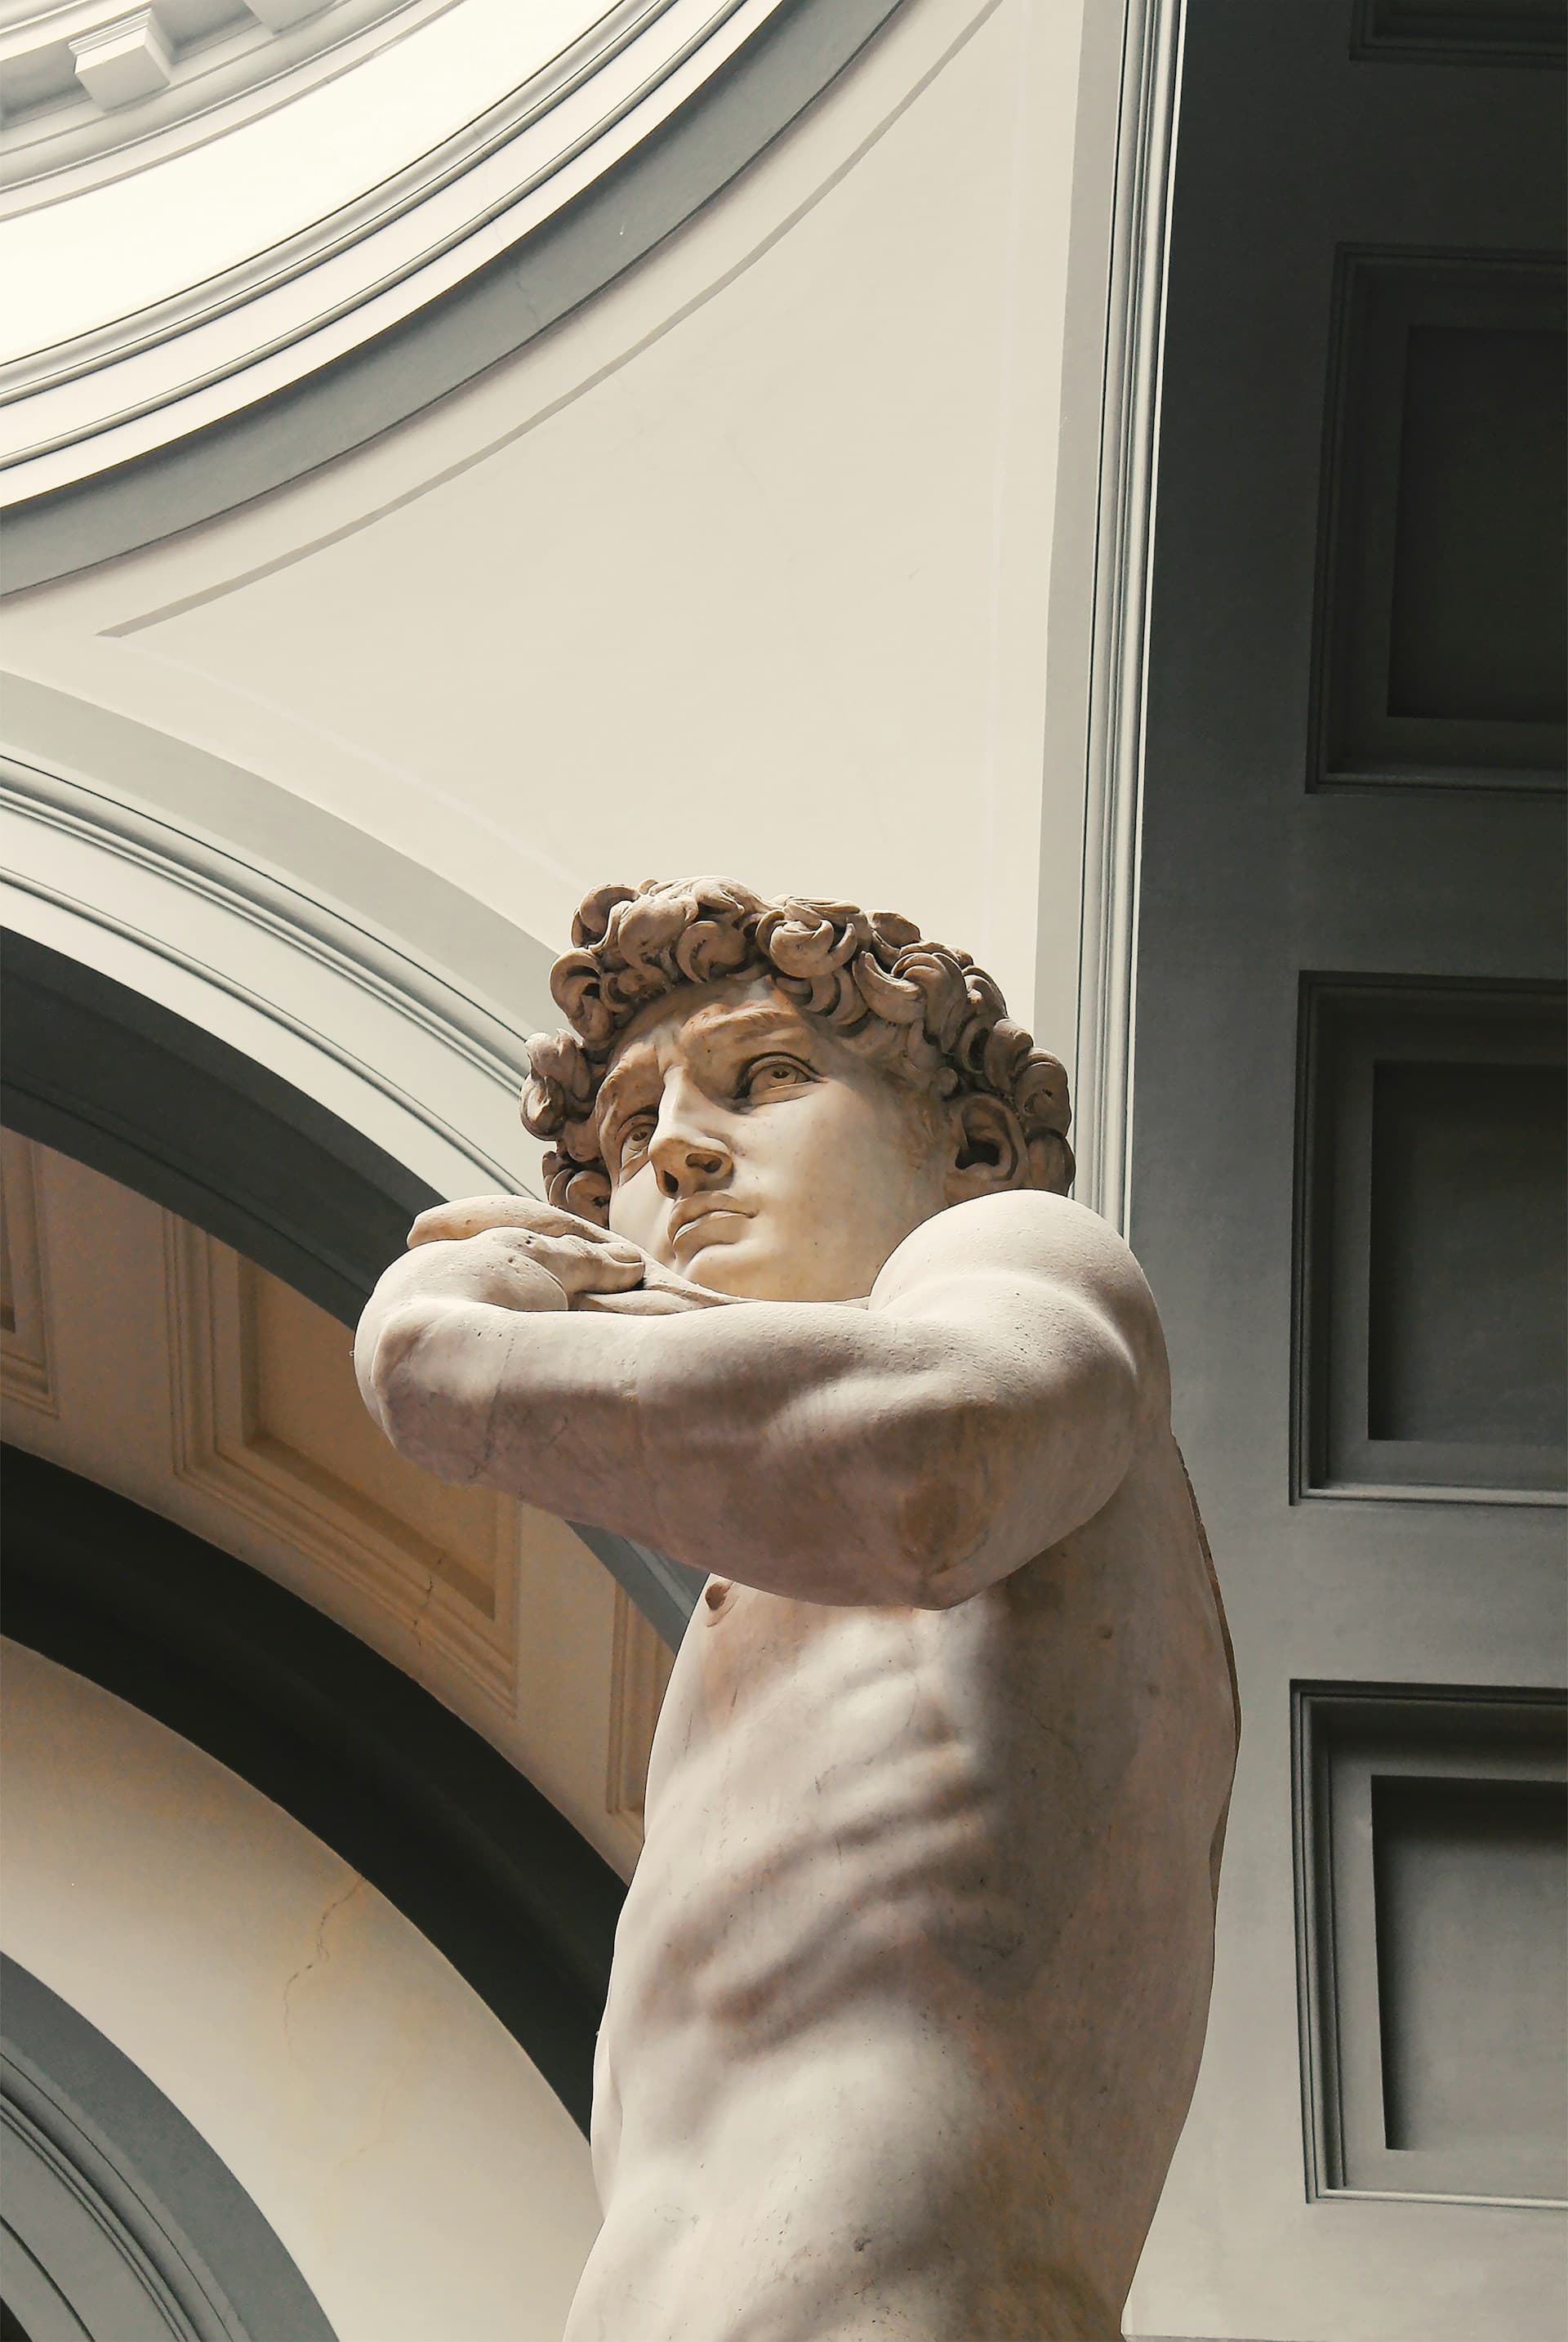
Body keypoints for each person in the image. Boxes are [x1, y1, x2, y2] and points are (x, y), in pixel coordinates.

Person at [354, 877, 1238, 2342]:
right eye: (628, 1134)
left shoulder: (1018, 1261)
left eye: (763, 1078)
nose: (675, 1150)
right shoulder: (748, 1614)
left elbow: (934, 1462)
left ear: (970, 1146)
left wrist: (449, 1361)